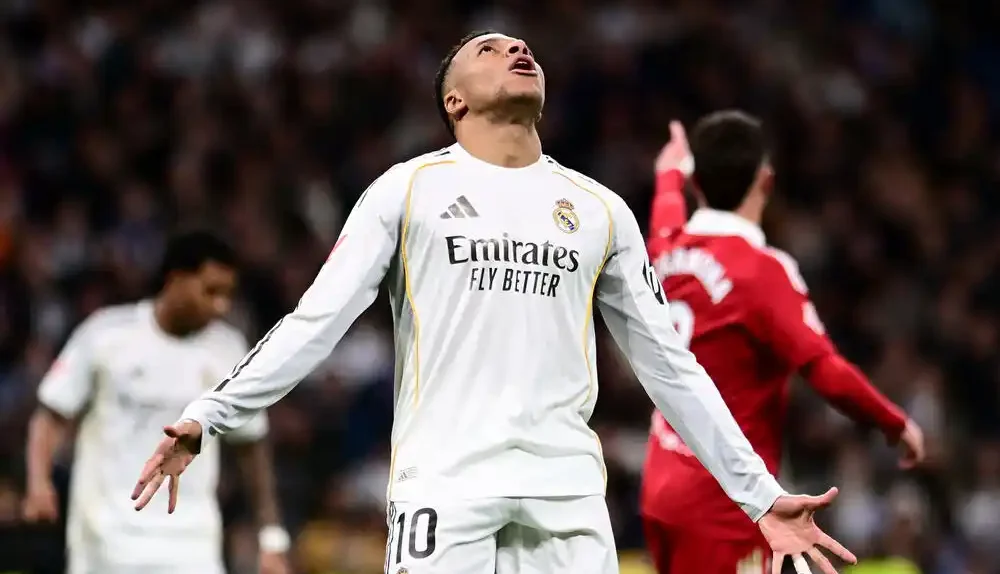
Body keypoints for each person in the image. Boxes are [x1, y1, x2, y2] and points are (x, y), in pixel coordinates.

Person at [131, 32, 856, 574]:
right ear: (455, 100)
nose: (516, 48)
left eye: (521, 46)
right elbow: (315, 322)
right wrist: (208, 414)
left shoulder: (599, 209)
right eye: (489, 48)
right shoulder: (408, 189)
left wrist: (759, 495)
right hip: (446, 485)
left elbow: (670, 365)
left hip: (566, 494)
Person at [641, 112, 926, 574]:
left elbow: (666, 212)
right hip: (726, 499)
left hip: (661, 486)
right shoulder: (763, 272)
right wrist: (895, 423)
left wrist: (668, 172)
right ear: (766, 180)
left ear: (696, 183)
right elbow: (826, 372)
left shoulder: (665, 249)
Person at [23, 230, 291, 574]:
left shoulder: (228, 349)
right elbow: (51, 415)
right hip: (106, 541)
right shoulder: (106, 334)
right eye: (210, 291)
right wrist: (38, 482)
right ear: (175, 279)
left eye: (227, 295)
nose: (220, 306)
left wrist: (271, 538)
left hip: (192, 545)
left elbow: (251, 448)